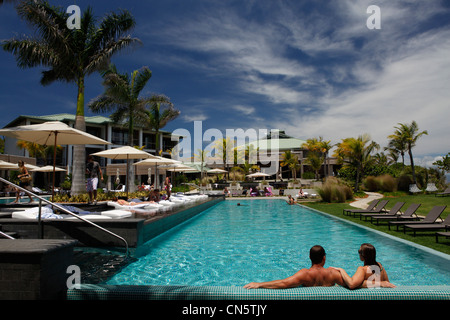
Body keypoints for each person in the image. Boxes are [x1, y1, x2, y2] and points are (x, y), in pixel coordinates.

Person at [244, 245, 345, 289]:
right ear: (324, 258)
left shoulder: (305, 274)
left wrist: (259, 284)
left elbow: (284, 283)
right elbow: (352, 284)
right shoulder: (333, 273)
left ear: (310, 257)